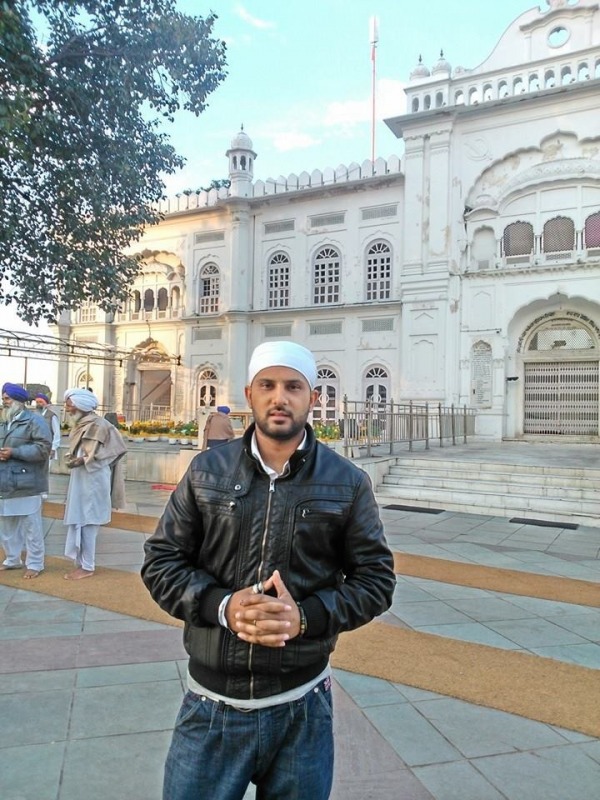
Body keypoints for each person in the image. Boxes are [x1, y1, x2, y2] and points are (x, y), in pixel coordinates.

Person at [141, 341, 396, 800]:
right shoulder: (206, 472)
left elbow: (376, 580)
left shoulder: (345, 483)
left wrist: (307, 617)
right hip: (212, 707)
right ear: (250, 394)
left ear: (312, 398)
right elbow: (162, 562)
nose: (280, 397)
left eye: (293, 386)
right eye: (268, 385)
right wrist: (223, 606)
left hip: (301, 709)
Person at [63, 388, 127, 580]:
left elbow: (116, 450)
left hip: (94, 479)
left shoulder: (101, 425)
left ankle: (88, 566)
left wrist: (85, 460)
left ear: (80, 405)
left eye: (70, 405)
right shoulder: (81, 424)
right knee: (79, 519)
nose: (67, 409)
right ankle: (81, 563)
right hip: (80, 478)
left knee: (89, 520)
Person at [0, 382, 51, 579]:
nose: (4, 402)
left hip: (28, 482)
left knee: (32, 526)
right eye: (3, 399)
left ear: (19, 402)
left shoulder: (35, 421)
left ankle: (35, 563)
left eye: (7, 399)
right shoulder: (3, 421)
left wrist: (15, 452)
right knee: (6, 524)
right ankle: (12, 559)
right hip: (5, 482)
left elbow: (43, 449)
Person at [34, 393, 61, 460]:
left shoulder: (51, 416)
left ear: (46, 403)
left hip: (47, 448)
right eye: (37, 402)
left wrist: (53, 448)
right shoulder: (33, 415)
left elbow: (57, 433)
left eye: (40, 402)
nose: (38, 404)